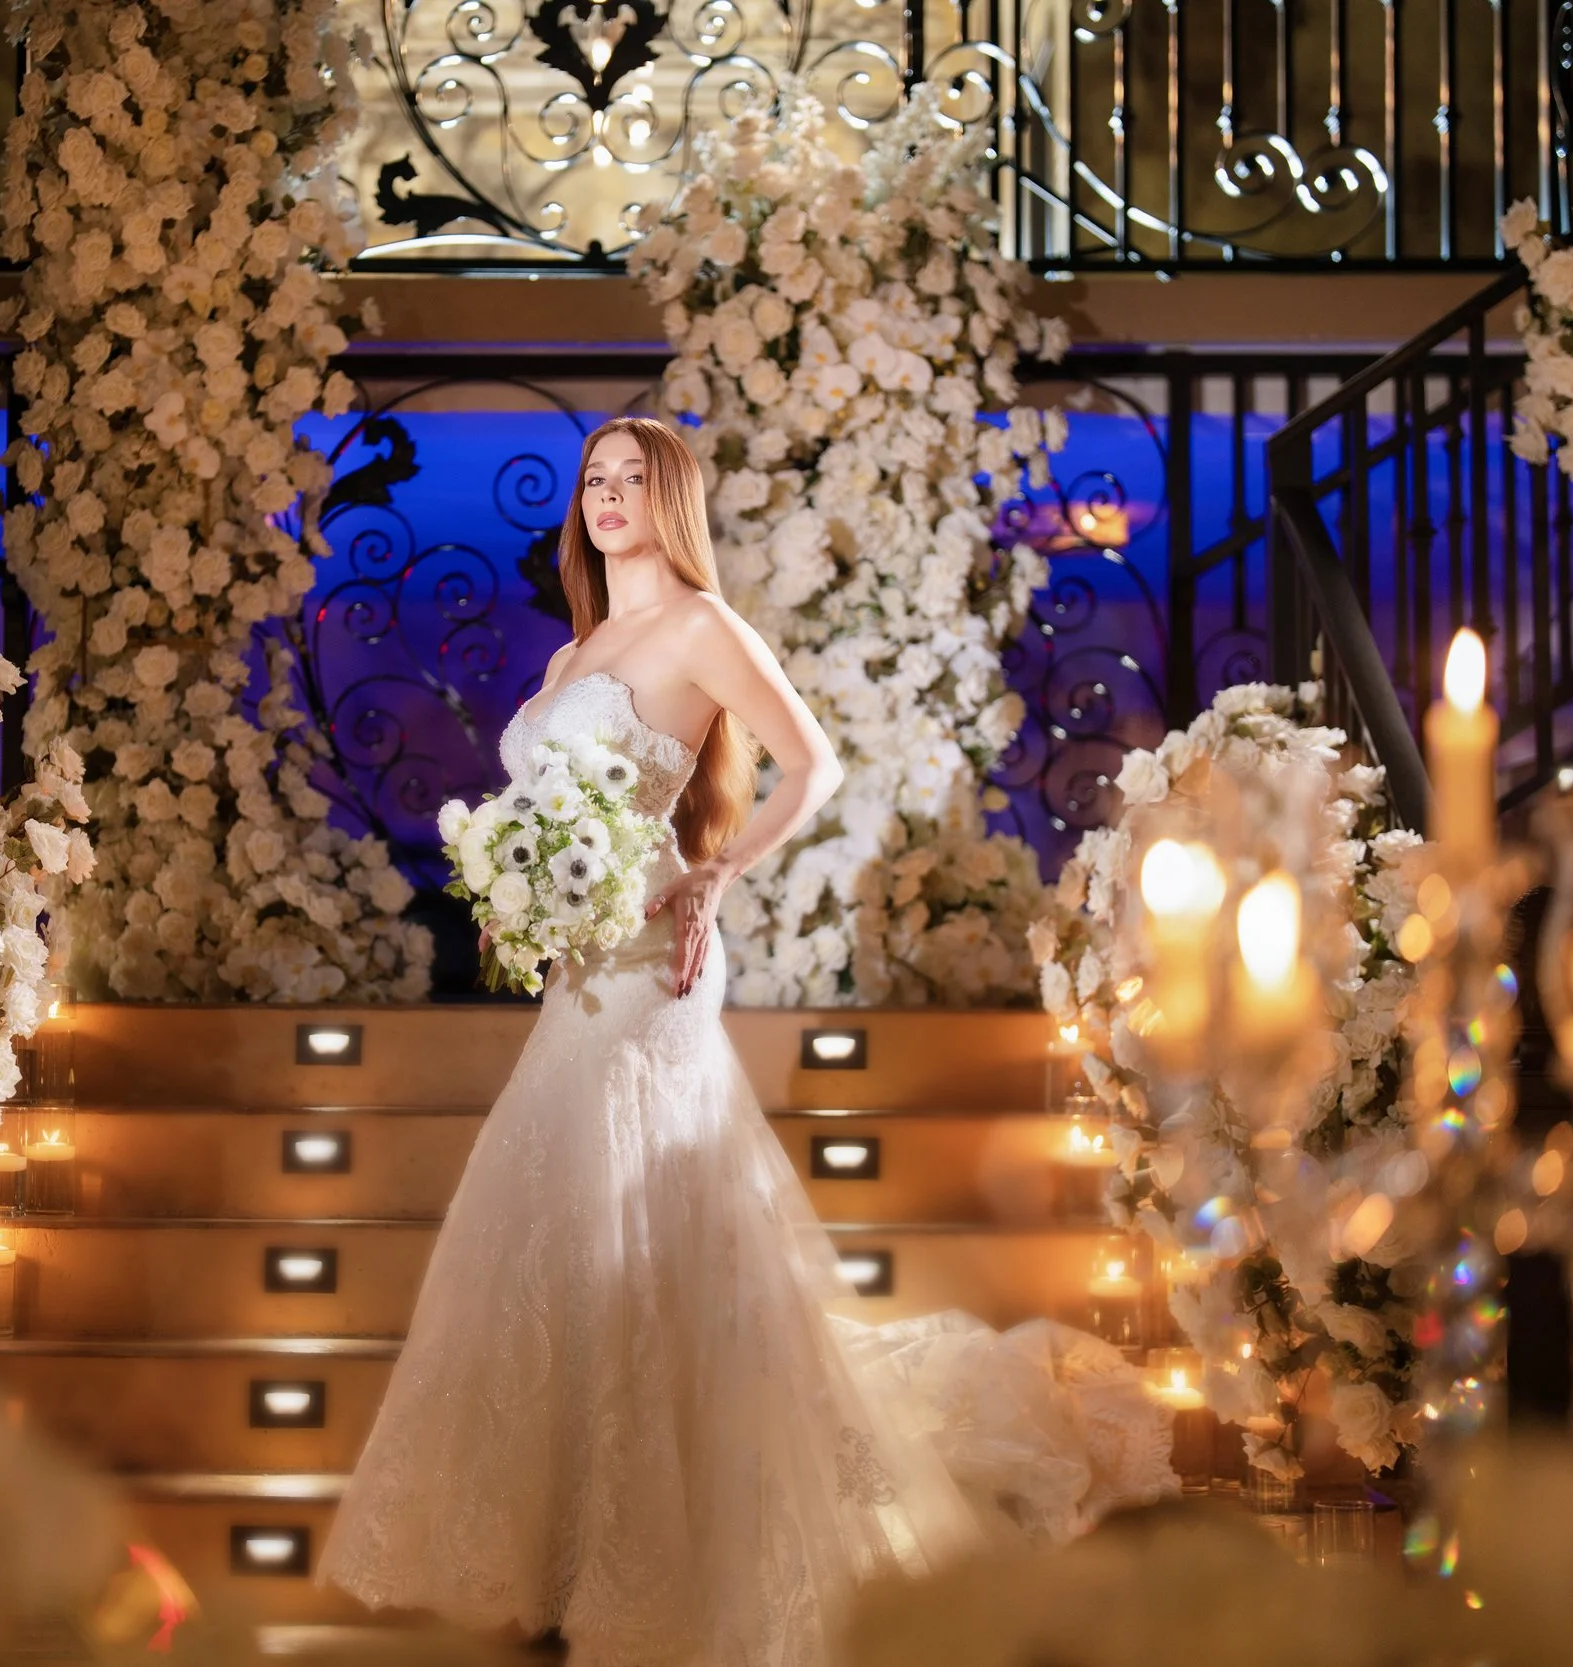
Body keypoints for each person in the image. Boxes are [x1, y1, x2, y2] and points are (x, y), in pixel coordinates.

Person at [318, 417, 1170, 1667]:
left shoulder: (701, 628)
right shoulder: (573, 651)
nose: (609, 498)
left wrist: (711, 874)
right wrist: (526, 893)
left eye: (633, 480)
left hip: (656, 963)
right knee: (558, 1225)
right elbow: (549, 818)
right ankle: (565, 1551)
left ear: (671, 501)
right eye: (594, 481)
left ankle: (657, 1555)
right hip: (578, 974)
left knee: (637, 1225)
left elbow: (811, 765)